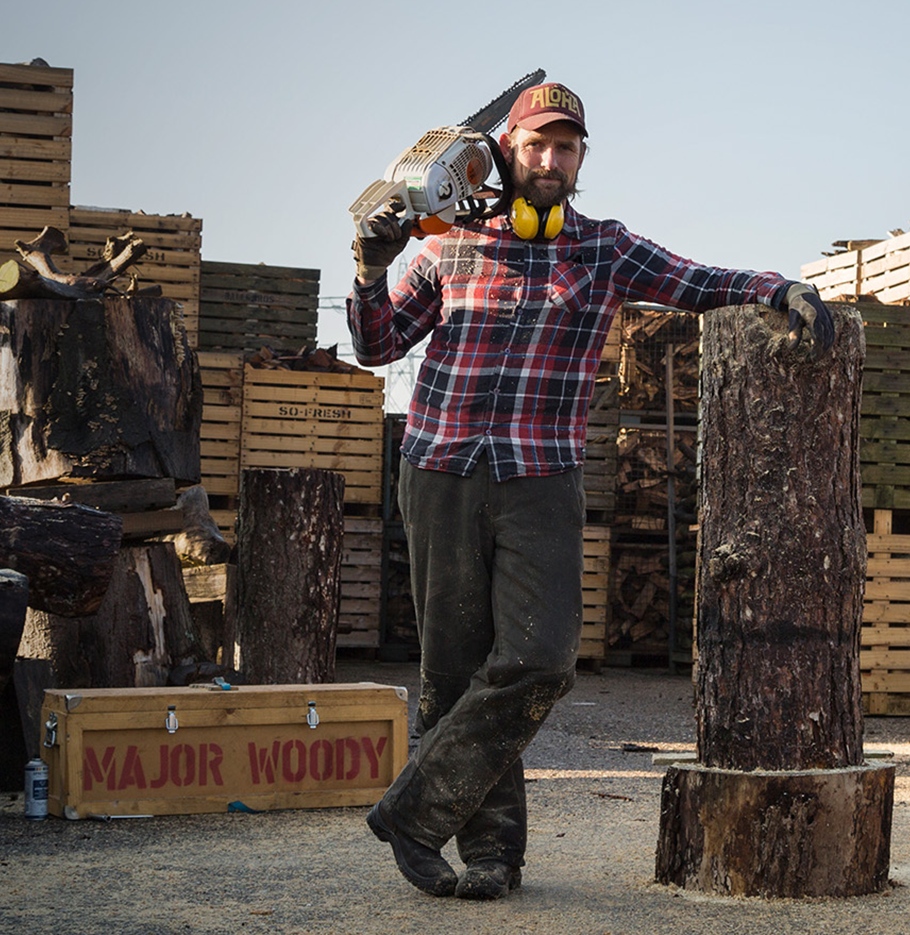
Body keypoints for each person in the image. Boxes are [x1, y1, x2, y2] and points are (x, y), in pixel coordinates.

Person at [346, 81, 834, 900]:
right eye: (536, 144)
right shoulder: (445, 244)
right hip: (439, 470)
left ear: (580, 161)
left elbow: (695, 277)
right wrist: (369, 266)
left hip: (542, 476)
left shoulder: (604, 249)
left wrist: (777, 287)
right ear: (504, 152)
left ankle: (412, 813)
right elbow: (375, 345)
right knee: (456, 668)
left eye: (565, 147)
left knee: (539, 659)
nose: (549, 159)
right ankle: (493, 856)